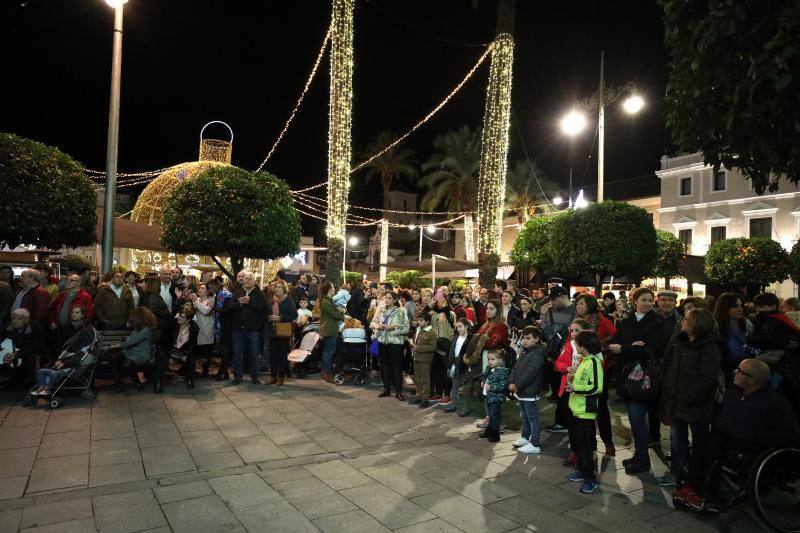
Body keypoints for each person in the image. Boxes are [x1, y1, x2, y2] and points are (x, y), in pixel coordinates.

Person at [678, 358, 800, 511]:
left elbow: (788, 435)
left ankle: (706, 494)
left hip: (753, 447)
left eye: (740, 371)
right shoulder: (734, 394)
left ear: (752, 380)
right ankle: (693, 485)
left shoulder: (775, 404)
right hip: (729, 437)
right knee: (703, 437)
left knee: (714, 445)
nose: (735, 373)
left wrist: (748, 435)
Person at [656, 308, 721, 490]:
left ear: (696, 324)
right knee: (677, 441)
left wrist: (689, 397)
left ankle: (696, 479)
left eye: (686, 319)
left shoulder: (709, 347)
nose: (682, 322)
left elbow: (708, 378)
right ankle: (676, 472)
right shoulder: (681, 341)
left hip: (696, 404)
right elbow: (672, 368)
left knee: (700, 444)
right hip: (677, 400)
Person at [608, 287, 666, 475]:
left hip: (645, 379)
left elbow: (651, 349)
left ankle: (642, 459)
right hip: (627, 376)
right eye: (644, 300)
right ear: (635, 302)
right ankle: (639, 456)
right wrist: (631, 347)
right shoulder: (626, 322)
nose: (648, 303)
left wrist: (625, 348)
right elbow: (614, 344)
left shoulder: (657, 323)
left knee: (637, 418)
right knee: (635, 419)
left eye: (651, 300)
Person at [565, 330, 604, 494]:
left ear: (583, 345)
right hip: (577, 409)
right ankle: (582, 470)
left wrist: (576, 387)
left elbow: (597, 387)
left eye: (577, 342)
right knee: (578, 444)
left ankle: (590, 478)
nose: (574, 345)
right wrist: (573, 378)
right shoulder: (585, 360)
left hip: (586, 412)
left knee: (585, 446)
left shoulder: (593, 362)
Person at [463, 300, 509, 422]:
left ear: (498, 310)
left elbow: (491, 343)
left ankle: (496, 421)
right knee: (485, 389)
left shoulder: (501, 326)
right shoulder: (485, 325)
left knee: (493, 391)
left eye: (491, 308)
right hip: (485, 360)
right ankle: (488, 417)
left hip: (497, 361)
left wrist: (479, 338)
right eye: (487, 308)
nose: (488, 311)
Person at [553, 319, 591, 452]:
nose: (573, 334)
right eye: (572, 331)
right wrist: (567, 368)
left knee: (584, 423)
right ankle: (575, 450)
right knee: (571, 420)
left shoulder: (591, 347)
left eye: (577, 330)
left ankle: (587, 448)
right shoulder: (569, 345)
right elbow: (558, 364)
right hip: (569, 388)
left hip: (584, 390)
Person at [32, 322, 97, 397]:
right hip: (60, 368)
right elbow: (67, 358)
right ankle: (41, 388)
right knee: (41, 371)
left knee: (54, 373)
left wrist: (64, 363)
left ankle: (48, 389)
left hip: (69, 371)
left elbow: (77, 362)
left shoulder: (84, 355)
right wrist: (60, 361)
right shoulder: (75, 351)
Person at [508, 326, 546, 454]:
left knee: (532, 417)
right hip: (521, 390)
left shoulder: (538, 353)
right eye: (523, 338)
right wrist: (511, 381)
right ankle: (525, 437)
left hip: (530, 389)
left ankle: (534, 443)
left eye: (528, 338)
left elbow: (531, 372)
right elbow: (515, 367)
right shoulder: (525, 352)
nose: (525, 341)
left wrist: (517, 384)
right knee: (524, 415)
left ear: (536, 339)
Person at [226, 271, 267, 385]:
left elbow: (263, 309)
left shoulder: (259, 294)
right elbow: (229, 306)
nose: (247, 280)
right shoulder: (237, 292)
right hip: (238, 329)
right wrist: (239, 303)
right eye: (246, 278)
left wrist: (249, 303)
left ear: (254, 281)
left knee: (254, 354)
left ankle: (255, 377)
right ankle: (238, 377)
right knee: (237, 353)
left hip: (253, 330)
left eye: (250, 278)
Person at [371, 291, 409, 400]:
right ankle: (386, 389)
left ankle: (398, 391)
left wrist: (392, 328)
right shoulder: (380, 310)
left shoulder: (401, 311)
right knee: (384, 366)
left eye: (389, 298)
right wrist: (379, 326)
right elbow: (372, 323)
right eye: (385, 298)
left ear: (394, 300)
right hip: (382, 342)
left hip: (396, 343)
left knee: (396, 367)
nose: (386, 300)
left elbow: (406, 328)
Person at [110, 307, 156, 392]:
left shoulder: (146, 330)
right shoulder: (136, 330)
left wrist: (118, 345)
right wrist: (125, 341)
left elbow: (133, 341)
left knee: (128, 363)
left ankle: (137, 382)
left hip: (142, 354)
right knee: (114, 358)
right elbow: (130, 340)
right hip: (131, 352)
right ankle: (117, 383)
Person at [0, 308, 45, 386]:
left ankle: (31, 381)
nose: (15, 321)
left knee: (32, 357)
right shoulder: (5, 328)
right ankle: (8, 378)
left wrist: (16, 354)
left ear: (26, 320)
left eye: (19, 319)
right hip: (9, 354)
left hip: (26, 354)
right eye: (13, 318)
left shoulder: (35, 329)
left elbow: (35, 347)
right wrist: (3, 355)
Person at [265, 279, 297, 386]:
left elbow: (294, 315)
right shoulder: (271, 300)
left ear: (284, 289)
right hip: (272, 331)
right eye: (276, 287)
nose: (276, 289)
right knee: (272, 355)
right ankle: (273, 376)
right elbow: (265, 312)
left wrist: (280, 318)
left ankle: (281, 377)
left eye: (279, 287)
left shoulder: (289, 300)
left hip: (283, 332)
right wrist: (268, 317)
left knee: (282, 356)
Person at [713, 293, 750, 382]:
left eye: (741, 305)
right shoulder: (717, 329)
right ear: (725, 308)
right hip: (728, 373)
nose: (740, 309)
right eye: (735, 306)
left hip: (747, 372)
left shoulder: (747, 325)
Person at [49, 274, 95, 342]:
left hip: (75, 332)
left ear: (79, 282)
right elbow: (51, 309)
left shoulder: (85, 297)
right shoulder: (62, 294)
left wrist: (77, 326)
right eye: (67, 280)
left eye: (71, 280)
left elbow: (89, 315)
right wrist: (52, 322)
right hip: (58, 330)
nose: (68, 282)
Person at [161, 309, 199, 390]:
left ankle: (189, 379)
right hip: (172, 349)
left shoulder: (193, 328)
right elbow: (166, 338)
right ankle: (159, 380)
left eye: (182, 317)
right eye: (179, 316)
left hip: (185, 351)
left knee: (190, 358)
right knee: (162, 355)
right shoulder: (174, 325)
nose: (179, 318)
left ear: (188, 320)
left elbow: (192, 344)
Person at [431, 294, 456, 402]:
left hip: (445, 344)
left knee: (445, 369)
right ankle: (438, 392)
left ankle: (447, 393)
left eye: (443, 300)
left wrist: (444, 307)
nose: (440, 301)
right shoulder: (433, 313)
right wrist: (432, 303)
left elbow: (452, 324)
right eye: (438, 300)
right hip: (433, 344)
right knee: (436, 370)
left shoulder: (451, 313)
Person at [409, 310, 437, 408]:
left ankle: (425, 398)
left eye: (421, 320)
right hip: (416, 357)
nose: (419, 322)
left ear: (427, 321)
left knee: (425, 379)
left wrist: (418, 348)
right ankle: (418, 395)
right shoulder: (420, 330)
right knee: (417, 378)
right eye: (418, 320)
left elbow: (433, 347)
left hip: (425, 359)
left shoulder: (431, 332)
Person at [444, 318, 473, 414]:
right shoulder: (456, 337)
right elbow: (452, 351)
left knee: (466, 389)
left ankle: (466, 408)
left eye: (460, 326)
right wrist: (449, 365)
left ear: (466, 327)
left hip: (465, 364)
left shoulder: (471, 338)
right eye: (457, 327)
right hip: (455, 363)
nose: (458, 329)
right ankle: (453, 405)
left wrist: (469, 364)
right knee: (455, 386)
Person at [479, 349, 508, 443]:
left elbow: (503, 385)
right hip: (489, 397)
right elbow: (486, 377)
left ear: (499, 360)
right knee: (491, 416)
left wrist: (491, 387)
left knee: (495, 417)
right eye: (489, 359)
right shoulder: (490, 369)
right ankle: (489, 431)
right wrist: (483, 381)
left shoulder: (502, 371)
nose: (490, 361)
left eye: (492, 359)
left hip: (496, 398)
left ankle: (495, 435)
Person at [317, 282, 343, 383]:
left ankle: (325, 371)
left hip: (328, 329)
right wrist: (342, 313)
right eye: (333, 288)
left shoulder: (328, 301)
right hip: (329, 330)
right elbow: (334, 315)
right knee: (328, 352)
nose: (334, 290)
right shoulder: (325, 302)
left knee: (327, 352)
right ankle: (328, 373)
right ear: (329, 290)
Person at [189, 283, 216, 377]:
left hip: (206, 330)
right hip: (197, 330)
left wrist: (196, 300)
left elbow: (205, 311)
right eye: (199, 288)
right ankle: (193, 371)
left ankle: (205, 372)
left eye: (203, 288)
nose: (200, 289)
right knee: (196, 352)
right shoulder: (198, 300)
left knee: (206, 352)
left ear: (208, 291)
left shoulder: (211, 300)